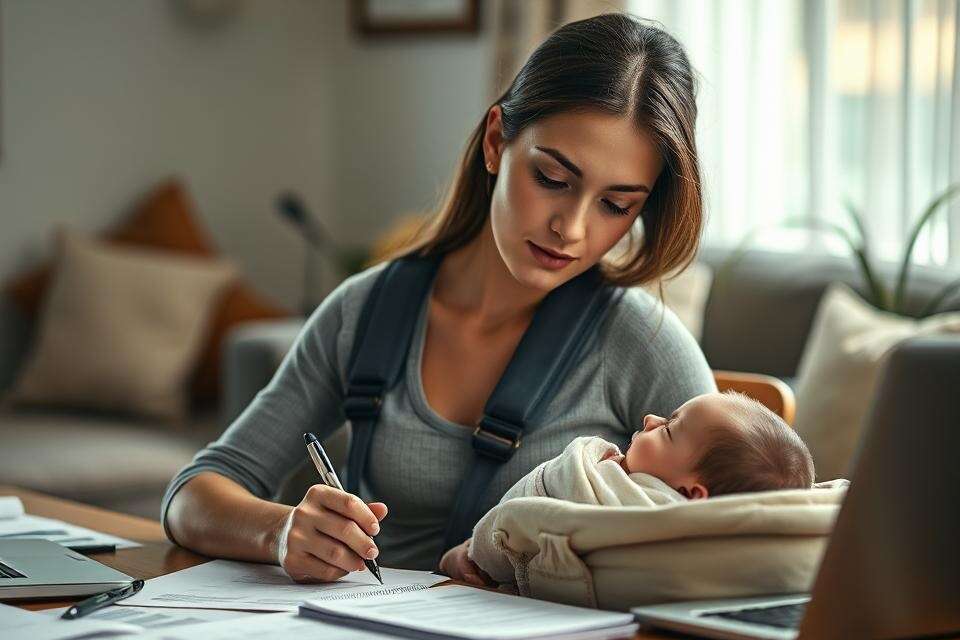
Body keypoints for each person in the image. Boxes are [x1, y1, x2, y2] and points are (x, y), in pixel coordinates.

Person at [162, 13, 716, 583]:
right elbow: (193, 495)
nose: (571, 229)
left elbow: (738, 536)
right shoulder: (367, 311)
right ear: (498, 142)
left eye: (616, 205)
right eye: (552, 178)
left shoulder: (643, 342)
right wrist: (280, 532)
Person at [452, 392, 816, 585]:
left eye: (669, 429)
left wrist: (472, 554)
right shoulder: (731, 555)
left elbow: (510, 525)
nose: (651, 419)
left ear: (691, 495)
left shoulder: (595, 479)